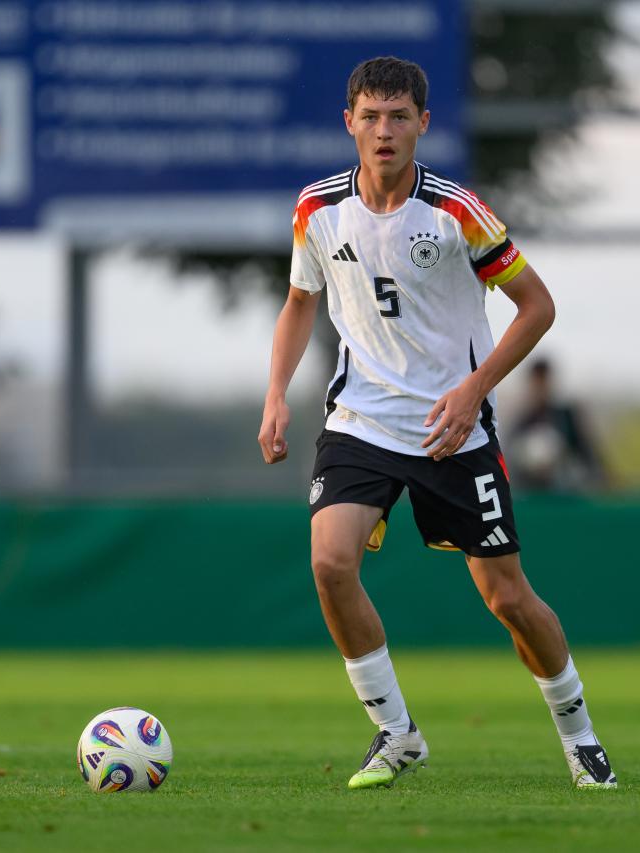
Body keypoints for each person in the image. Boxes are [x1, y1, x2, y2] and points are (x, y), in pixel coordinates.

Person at [257, 57, 616, 790]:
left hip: (454, 428)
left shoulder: (457, 212)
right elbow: (299, 301)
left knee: (508, 598)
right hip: (360, 418)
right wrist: (274, 394)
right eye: (370, 115)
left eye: (398, 117)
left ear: (423, 124)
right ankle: (396, 732)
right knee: (330, 562)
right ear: (348, 122)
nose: (383, 130)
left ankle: (580, 737)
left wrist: (472, 390)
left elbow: (537, 306)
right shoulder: (316, 210)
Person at [511, 358, 607, 493]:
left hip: (564, 490)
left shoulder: (565, 416)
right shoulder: (523, 420)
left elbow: (585, 450)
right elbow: (513, 458)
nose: (541, 387)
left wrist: (602, 476)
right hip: (532, 493)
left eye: (544, 380)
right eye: (537, 381)